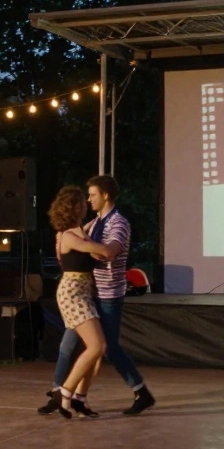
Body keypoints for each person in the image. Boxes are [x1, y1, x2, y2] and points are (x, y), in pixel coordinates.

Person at [40, 175, 156, 416]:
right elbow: (74, 240)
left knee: (104, 347)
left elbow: (109, 252)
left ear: (105, 195)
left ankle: (72, 394)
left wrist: (87, 246)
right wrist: (68, 238)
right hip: (87, 293)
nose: (89, 199)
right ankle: (64, 394)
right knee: (77, 344)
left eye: (92, 194)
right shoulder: (95, 223)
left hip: (108, 294)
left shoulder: (118, 223)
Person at [38, 186, 112, 418]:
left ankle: (78, 398)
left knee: (96, 349)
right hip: (72, 295)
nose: (87, 204)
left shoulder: (80, 231)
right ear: (75, 207)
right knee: (95, 346)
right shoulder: (68, 235)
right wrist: (116, 245)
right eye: (83, 201)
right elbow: (101, 251)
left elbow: (95, 248)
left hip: (84, 292)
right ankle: (65, 392)